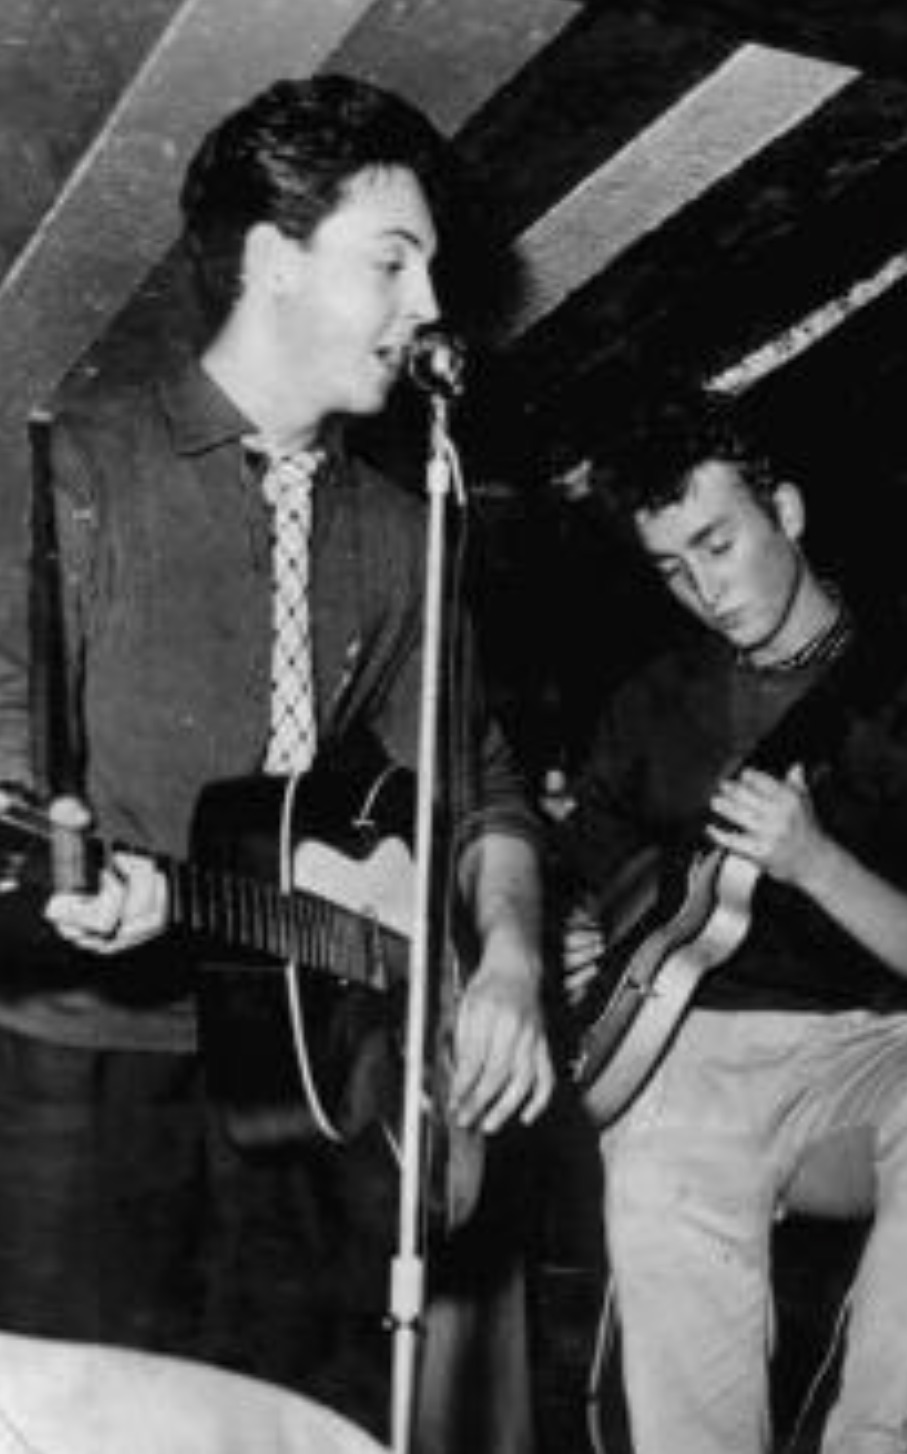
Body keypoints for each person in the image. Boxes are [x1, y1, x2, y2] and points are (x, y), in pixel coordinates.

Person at [0, 74, 553, 1442]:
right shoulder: (85, 467)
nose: (431, 303)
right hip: (88, 1063)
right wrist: (55, 881)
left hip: (325, 1093)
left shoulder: (402, 524)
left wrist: (512, 963)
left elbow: (478, 783)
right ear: (271, 261)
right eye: (393, 260)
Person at [553, 395, 907, 1454]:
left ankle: (871, 1437)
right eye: (671, 568)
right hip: (682, 1058)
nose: (704, 589)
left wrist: (816, 862)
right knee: (654, 1163)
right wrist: (574, 925)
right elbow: (578, 862)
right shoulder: (649, 703)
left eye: (718, 544)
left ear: (791, 511)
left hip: (857, 1053)